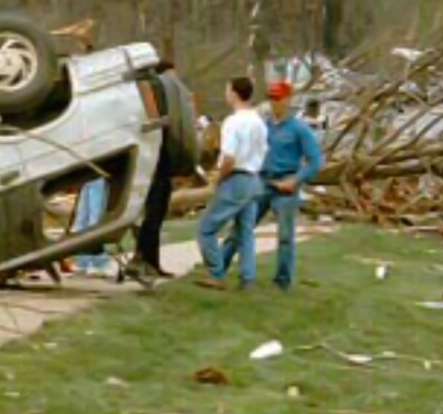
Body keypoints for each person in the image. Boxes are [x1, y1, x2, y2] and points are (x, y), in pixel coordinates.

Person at [224, 81, 326, 291]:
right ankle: (219, 266)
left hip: (286, 184)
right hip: (262, 182)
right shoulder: (264, 126)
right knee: (241, 226)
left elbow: (315, 161)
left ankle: (282, 281)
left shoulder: (299, 129)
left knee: (285, 236)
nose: (274, 103)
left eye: (278, 98)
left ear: (287, 100)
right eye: (271, 98)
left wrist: (296, 179)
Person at [196, 77, 268, 291]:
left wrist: (218, 178)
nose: (225, 93)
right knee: (245, 232)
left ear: (234, 93)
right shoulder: (259, 122)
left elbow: (229, 158)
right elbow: (262, 151)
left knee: (207, 229)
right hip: (254, 179)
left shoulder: (233, 122)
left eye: (227, 90)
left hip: (235, 179)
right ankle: (248, 277)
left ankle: (216, 273)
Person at [128, 60, 190, 283]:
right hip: (153, 164)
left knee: (157, 215)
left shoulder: (164, 95)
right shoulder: (152, 90)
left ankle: (151, 261)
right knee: (152, 215)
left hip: (162, 164)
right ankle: (144, 259)